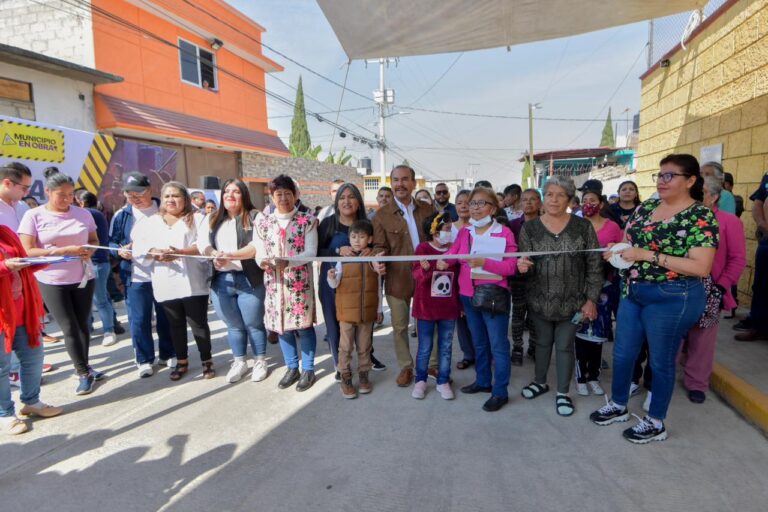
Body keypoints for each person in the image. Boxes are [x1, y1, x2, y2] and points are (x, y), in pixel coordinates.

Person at [590, 154, 717, 444]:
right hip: (634, 291)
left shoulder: (700, 215)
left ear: (691, 180)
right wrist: (618, 249)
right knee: (622, 354)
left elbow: (701, 266)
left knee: (660, 362)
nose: (662, 180)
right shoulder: (646, 207)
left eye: (670, 175)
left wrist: (646, 255)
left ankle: (655, 421)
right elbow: (630, 242)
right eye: (659, 175)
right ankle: (619, 405)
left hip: (674, 296)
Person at [517, 176, 602, 417]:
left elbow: (594, 265)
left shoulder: (583, 227)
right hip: (539, 300)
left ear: (569, 199)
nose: (554, 199)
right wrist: (522, 265)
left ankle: (563, 392)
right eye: (550, 194)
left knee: (564, 346)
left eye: (560, 195)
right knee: (542, 343)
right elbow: (525, 259)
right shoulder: (530, 228)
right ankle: (540, 381)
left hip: (573, 301)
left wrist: (591, 299)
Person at [18, 169, 102, 395]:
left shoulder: (83, 214)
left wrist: (89, 251)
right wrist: (64, 250)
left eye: (70, 194)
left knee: (83, 324)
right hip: (52, 279)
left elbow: (94, 240)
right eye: (61, 194)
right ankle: (82, 372)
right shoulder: (33, 215)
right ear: (47, 191)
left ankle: (86, 366)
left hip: (83, 276)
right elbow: (27, 250)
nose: (66, 199)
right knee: (69, 327)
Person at [439, 186, 517, 411]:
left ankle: (500, 391)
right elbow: (453, 253)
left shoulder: (504, 232)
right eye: (472, 203)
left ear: (493, 207)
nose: (475, 208)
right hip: (468, 295)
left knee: (498, 345)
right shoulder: (465, 232)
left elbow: (511, 266)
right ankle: (483, 381)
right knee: (479, 342)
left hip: (493, 296)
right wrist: (442, 260)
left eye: (481, 203)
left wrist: (486, 263)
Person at [134, 182, 214, 381]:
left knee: (198, 324)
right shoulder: (151, 221)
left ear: (185, 199)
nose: (171, 200)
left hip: (192, 281)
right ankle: (181, 361)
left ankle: (206, 360)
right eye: (167, 196)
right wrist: (155, 253)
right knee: (175, 324)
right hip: (164, 280)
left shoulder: (196, 218)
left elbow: (203, 245)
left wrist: (179, 253)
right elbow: (140, 247)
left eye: (176, 196)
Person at [681, 177, 745, 403]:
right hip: (677, 285)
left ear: (715, 197)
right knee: (672, 336)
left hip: (711, 286)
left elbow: (737, 259)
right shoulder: (681, 216)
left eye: (703, 192)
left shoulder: (729, 222)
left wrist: (721, 286)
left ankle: (697, 383)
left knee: (702, 338)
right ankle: (659, 379)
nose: (697, 195)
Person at [198, 179, 267, 383]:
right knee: (233, 325)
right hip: (221, 280)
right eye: (226, 191)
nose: (230, 195)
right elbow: (202, 244)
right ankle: (239, 361)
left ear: (244, 195)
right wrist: (214, 254)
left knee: (253, 323)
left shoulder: (256, 217)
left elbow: (257, 245)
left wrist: (231, 255)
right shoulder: (212, 218)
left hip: (249, 278)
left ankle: (260, 360)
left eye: (235, 191)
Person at [372, 165, 435, 387]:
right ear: (392, 183)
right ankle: (406, 367)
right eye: (396, 180)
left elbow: (437, 238)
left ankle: (431, 364)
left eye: (405, 179)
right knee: (400, 326)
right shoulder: (381, 215)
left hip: (427, 275)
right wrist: (377, 260)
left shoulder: (428, 210)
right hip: (397, 278)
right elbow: (378, 246)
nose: (400, 184)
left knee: (427, 322)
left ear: (413, 183)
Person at [255, 175, 318, 392]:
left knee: (304, 326)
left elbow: (311, 252)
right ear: (271, 197)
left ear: (295, 195)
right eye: (278, 194)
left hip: (299, 284)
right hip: (273, 284)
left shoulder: (307, 220)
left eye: (288, 194)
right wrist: (262, 261)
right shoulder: (262, 222)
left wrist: (289, 261)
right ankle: (292, 367)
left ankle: (308, 369)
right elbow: (259, 250)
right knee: (282, 328)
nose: (283, 198)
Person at [110, 172, 175, 379]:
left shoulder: (164, 209)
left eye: (138, 193)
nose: (134, 198)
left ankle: (168, 353)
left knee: (167, 317)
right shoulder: (122, 215)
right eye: (129, 194)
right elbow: (111, 243)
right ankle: (144, 359)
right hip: (136, 276)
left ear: (149, 190)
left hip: (164, 273)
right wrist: (119, 251)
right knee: (139, 320)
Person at [1, 224, 63, 434]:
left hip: (22, 310)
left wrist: (44, 259)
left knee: (34, 357)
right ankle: (5, 414)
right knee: (2, 368)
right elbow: (8, 266)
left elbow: (23, 264)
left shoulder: (5, 232)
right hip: (2, 316)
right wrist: (6, 267)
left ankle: (31, 401)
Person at [318, 183, 384, 379]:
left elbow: (380, 248)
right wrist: (337, 251)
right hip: (333, 284)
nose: (347, 201)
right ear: (336, 202)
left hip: (364, 284)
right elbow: (316, 252)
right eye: (342, 197)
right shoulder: (328, 224)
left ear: (359, 201)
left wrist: (371, 251)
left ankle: (367, 358)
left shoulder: (368, 223)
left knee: (365, 323)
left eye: (351, 197)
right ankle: (341, 366)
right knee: (335, 325)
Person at [326, 219, 382, 398]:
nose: (357, 240)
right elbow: (334, 284)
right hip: (347, 313)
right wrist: (331, 277)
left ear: (370, 239)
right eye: (353, 236)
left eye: (362, 236)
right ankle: (345, 377)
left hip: (367, 312)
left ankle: (364, 376)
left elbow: (378, 286)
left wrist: (379, 310)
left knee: (365, 346)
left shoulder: (374, 259)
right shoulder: (343, 260)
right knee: (345, 347)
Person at [574, 189, 622, 396]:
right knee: (580, 330)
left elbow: (622, 253)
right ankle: (580, 377)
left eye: (592, 200)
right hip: (579, 286)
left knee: (598, 332)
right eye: (584, 201)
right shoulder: (575, 226)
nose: (588, 204)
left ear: (601, 204)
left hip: (605, 286)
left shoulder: (613, 227)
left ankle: (594, 376)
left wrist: (614, 250)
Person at [412, 212, 460, 400]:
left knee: (446, 346)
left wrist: (460, 306)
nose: (450, 232)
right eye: (447, 229)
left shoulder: (455, 249)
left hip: (448, 308)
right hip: (426, 308)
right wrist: (429, 268)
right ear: (434, 231)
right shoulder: (422, 249)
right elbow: (417, 277)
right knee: (425, 346)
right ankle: (421, 380)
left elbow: (458, 278)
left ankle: (443, 380)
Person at [75, 190, 117, 347]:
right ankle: (105, 326)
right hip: (99, 262)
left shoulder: (87, 214)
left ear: (82, 203)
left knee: (98, 300)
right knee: (101, 297)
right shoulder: (97, 213)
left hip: (95, 262)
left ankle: (108, 330)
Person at [508, 188, 541, 365]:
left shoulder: (546, 225)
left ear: (540, 203)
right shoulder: (512, 225)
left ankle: (534, 347)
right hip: (518, 277)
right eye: (524, 200)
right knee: (518, 314)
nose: (528, 203)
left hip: (541, 278)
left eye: (533, 199)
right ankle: (518, 347)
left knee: (536, 315)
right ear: (520, 203)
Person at [451, 189, 475, 369]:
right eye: (459, 202)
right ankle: (468, 354)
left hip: (475, 278)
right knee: (461, 317)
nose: (463, 206)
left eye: (468, 202)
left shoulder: (479, 227)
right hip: (453, 278)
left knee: (476, 317)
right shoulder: (448, 228)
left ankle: (483, 353)